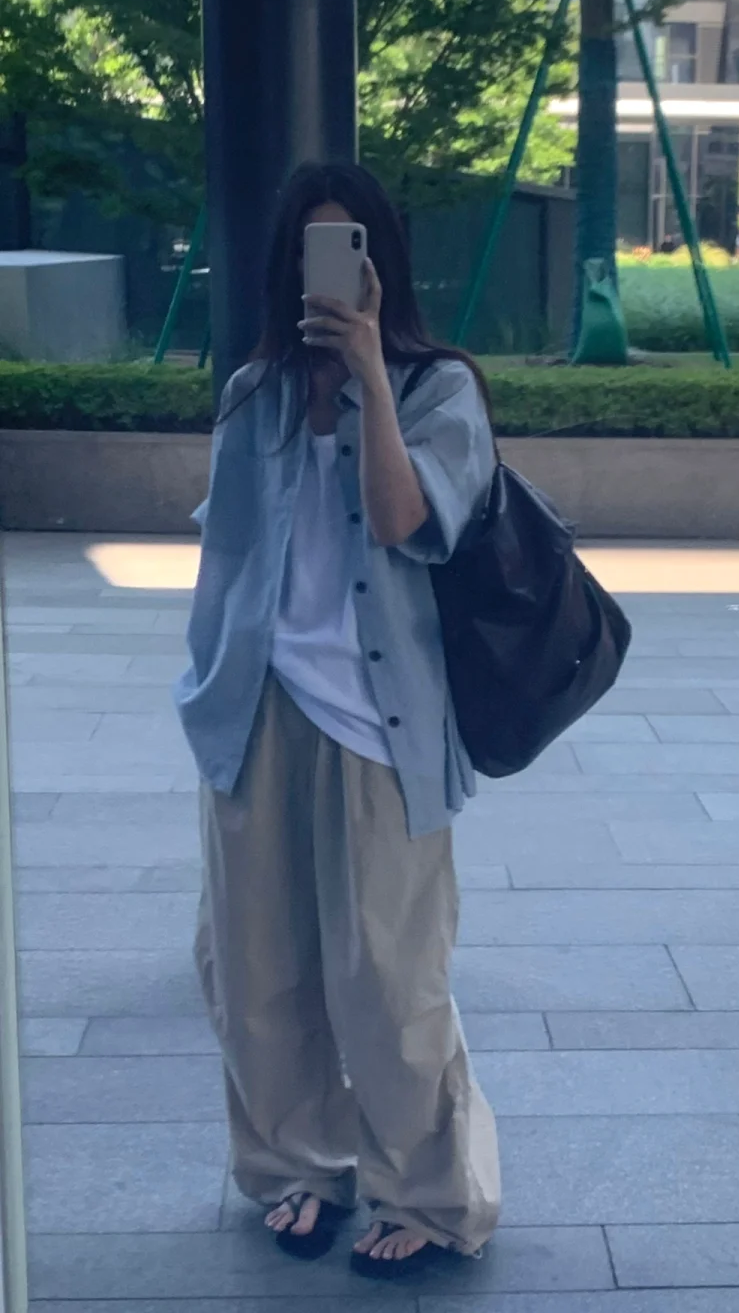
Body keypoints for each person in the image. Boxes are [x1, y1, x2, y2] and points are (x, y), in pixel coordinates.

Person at [174, 161, 501, 1278]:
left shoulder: (441, 390)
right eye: (310, 248)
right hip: (257, 714)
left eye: (348, 246)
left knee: (390, 983)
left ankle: (432, 1193)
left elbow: (408, 521)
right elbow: (226, 560)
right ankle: (298, 1169)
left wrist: (366, 370)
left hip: (382, 725)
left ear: (380, 265)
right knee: (257, 970)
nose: (330, 271)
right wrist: (207, 685)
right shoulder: (253, 393)